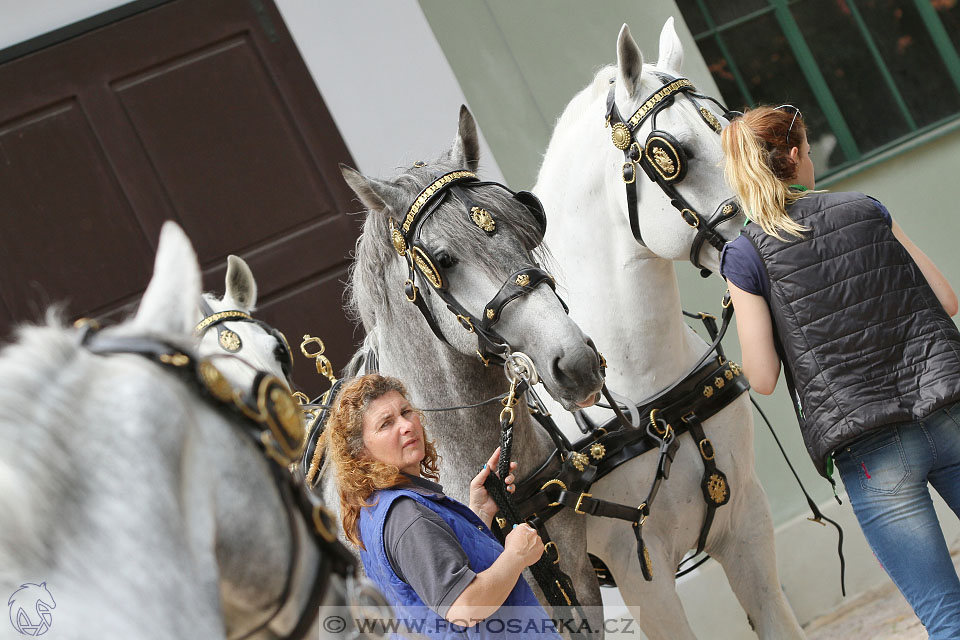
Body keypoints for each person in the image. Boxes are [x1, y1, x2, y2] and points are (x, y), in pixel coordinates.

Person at [719, 104, 960, 638]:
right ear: (800, 152)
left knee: (946, 616)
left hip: (870, 450)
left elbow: (762, 377)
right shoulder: (865, 208)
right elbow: (946, 298)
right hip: (947, 410)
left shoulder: (745, 254)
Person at [323, 373, 560, 638]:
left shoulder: (379, 506)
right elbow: (464, 607)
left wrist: (480, 511)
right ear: (361, 453)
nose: (406, 425)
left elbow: (432, 578)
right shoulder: (407, 517)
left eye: (406, 411)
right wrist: (516, 556)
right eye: (386, 424)